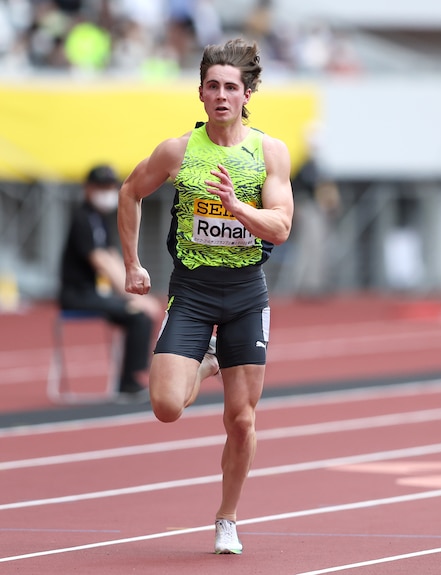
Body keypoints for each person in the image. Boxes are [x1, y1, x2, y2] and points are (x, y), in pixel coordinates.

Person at [117, 38, 294, 555]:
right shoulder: (178, 151)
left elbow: (281, 227)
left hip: (245, 295)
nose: (221, 95)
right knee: (167, 405)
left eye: (231, 88)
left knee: (241, 420)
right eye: (213, 86)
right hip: (191, 291)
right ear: (200, 93)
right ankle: (208, 362)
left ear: (247, 94)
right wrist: (132, 262)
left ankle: (226, 518)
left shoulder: (268, 152)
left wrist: (238, 207)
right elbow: (130, 191)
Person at [59, 164, 162, 402]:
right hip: (77, 294)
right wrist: (132, 297)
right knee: (137, 315)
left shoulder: (100, 218)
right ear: (88, 189)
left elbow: (113, 256)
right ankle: (128, 383)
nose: (106, 192)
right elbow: (101, 261)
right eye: (100, 187)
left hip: (95, 293)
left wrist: (137, 292)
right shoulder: (83, 219)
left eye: (109, 186)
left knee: (139, 313)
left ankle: (132, 378)